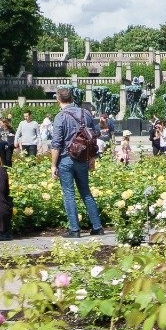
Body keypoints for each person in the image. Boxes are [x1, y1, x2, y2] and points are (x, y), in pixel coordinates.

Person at [51, 87, 103, 238]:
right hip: (82, 159)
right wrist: (92, 159)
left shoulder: (60, 117)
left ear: (58, 100)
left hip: (66, 159)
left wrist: (53, 165)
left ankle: (74, 229)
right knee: (86, 192)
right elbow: (92, 138)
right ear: (72, 98)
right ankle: (97, 227)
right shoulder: (85, 113)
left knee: (69, 194)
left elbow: (56, 144)